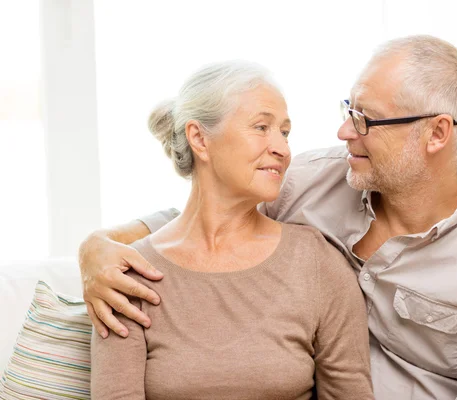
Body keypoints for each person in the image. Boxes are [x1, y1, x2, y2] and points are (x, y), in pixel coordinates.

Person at [82, 36, 457, 399]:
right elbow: (211, 218)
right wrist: (98, 246)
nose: (343, 130)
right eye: (349, 108)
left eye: (366, 119)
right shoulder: (311, 181)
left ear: (436, 134)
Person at [89, 61, 374, 400]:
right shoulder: (127, 276)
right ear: (199, 138)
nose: (282, 149)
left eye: (284, 132)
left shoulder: (317, 262)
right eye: (261, 127)